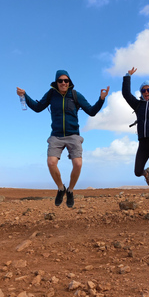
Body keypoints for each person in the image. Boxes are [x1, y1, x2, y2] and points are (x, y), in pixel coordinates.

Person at [16, 70, 110, 208]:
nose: (63, 83)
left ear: (69, 82)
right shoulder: (51, 94)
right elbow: (37, 108)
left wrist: (101, 99)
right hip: (56, 135)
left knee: (78, 164)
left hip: (73, 135)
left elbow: (92, 111)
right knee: (51, 163)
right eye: (60, 81)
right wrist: (25, 95)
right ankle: (61, 189)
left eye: (66, 81)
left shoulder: (75, 95)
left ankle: (70, 191)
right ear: (56, 83)